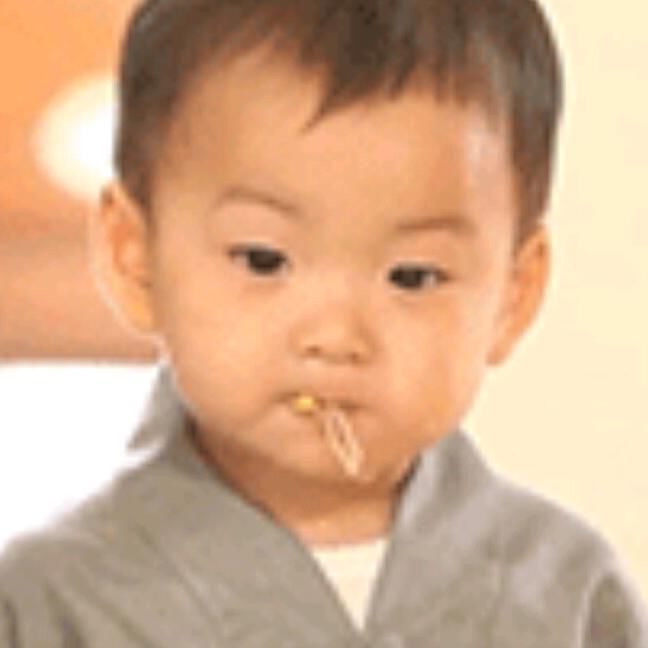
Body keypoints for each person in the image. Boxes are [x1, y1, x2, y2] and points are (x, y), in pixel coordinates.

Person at [1, 0, 646, 645]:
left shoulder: (572, 593)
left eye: (412, 277)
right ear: (134, 256)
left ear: (513, 293)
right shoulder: (47, 599)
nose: (336, 338)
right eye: (263, 260)